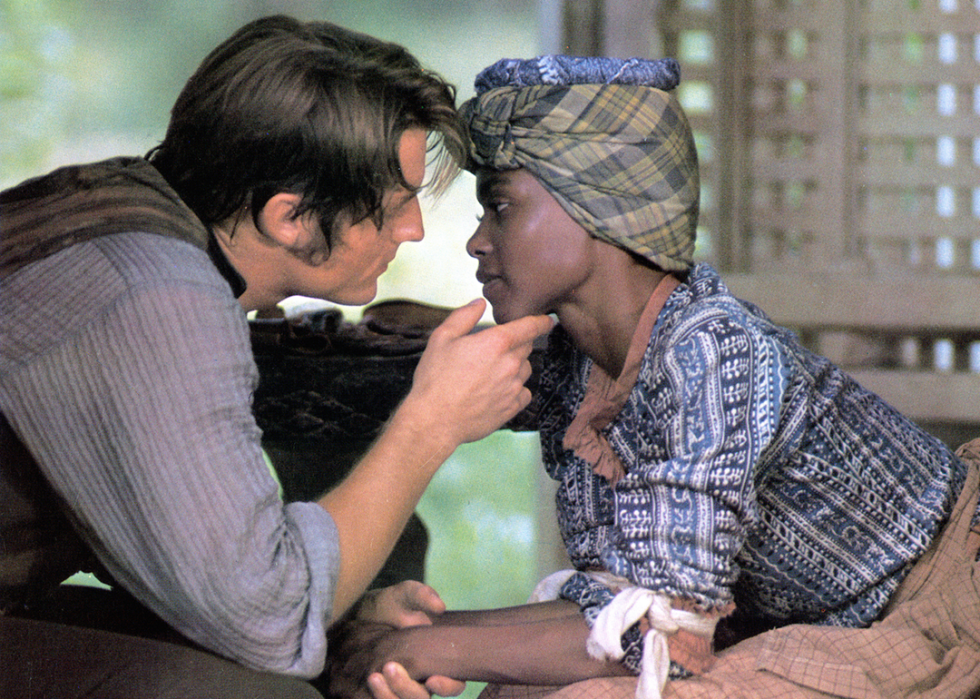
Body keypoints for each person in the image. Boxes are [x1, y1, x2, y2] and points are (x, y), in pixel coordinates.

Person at [327, 55, 980, 699]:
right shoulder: (581, 360)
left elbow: (648, 639)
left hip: (940, 600)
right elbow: (622, 605)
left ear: (600, 208)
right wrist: (405, 639)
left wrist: (407, 644)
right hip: (811, 617)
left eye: (500, 205)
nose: (477, 240)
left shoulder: (712, 356)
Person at [0, 17, 553, 699]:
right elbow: (266, 619)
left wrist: (343, 612)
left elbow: (173, 538)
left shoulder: (134, 212)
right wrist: (432, 421)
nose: (413, 229)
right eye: (392, 206)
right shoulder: (157, 294)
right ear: (289, 218)